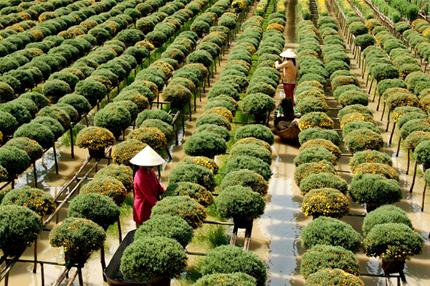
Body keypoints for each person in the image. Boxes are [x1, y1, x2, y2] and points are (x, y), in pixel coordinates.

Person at [129, 145, 166, 226]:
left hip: (151, 206)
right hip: (143, 209)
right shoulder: (140, 176)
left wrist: (165, 192)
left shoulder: (151, 172)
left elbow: (158, 186)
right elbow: (149, 196)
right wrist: (161, 207)